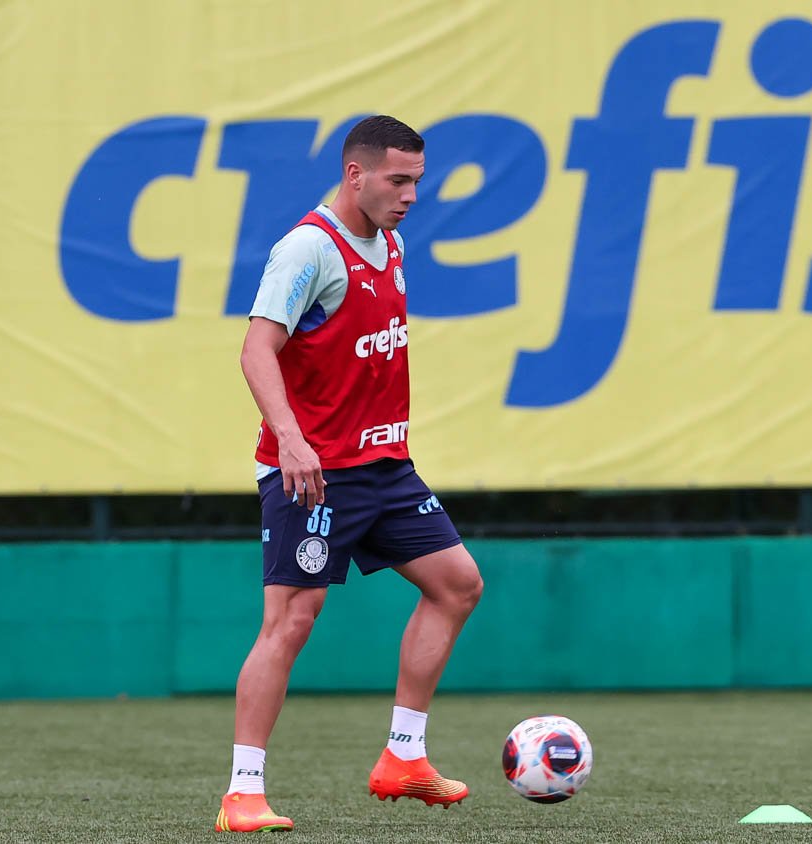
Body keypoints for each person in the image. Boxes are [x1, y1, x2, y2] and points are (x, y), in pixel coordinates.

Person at [215, 115, 484, 834]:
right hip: (315, 473)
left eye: (417, 181)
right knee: (290, 622)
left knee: (457, 585)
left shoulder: (390, 241)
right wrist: (292, 440)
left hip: (386, 466)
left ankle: (404, 756)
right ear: (355, 174)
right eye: (398, 180)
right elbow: (256, 351)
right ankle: (243, 793)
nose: (411, 196)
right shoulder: (308, 248)